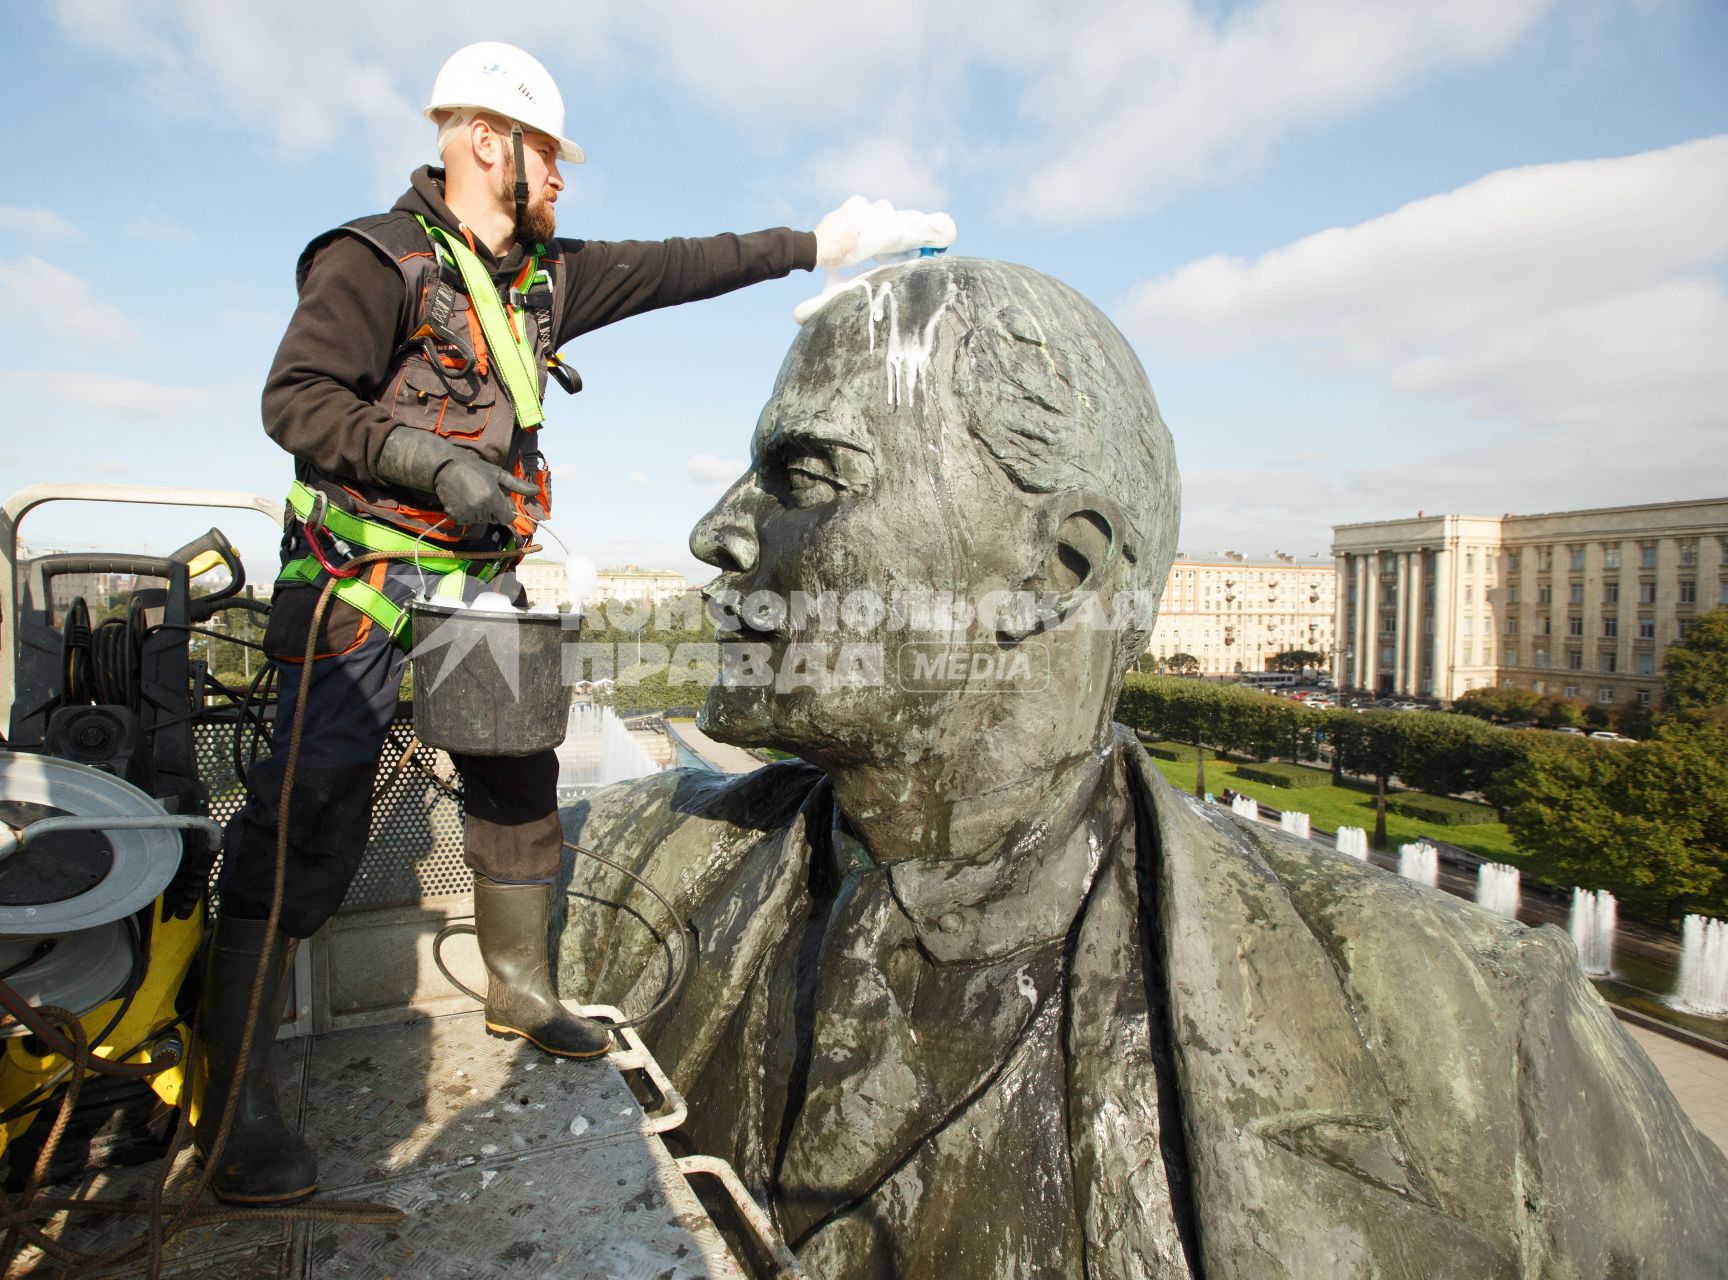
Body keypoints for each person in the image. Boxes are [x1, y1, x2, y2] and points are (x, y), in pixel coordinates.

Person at [556, 256, 1728, 1277]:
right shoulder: (619, 867)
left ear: (1057, 568)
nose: (714, 528)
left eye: (808, 475)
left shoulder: (1487, 1042)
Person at [199, 40, 955, 1206]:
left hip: (475, 574)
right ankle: (235, 1100)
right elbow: (295, 400)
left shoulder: (543, 277)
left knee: (515, 770)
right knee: (312, 806)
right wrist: (425, 460)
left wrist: (819, 244)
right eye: (550, 153)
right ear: (487, 143)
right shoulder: (375, 261)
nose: (563, 177)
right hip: (354, 573)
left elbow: (678, 266)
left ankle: (520, 985)